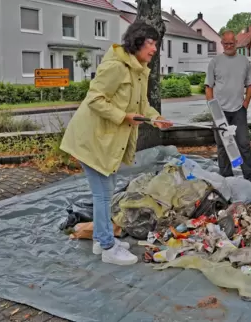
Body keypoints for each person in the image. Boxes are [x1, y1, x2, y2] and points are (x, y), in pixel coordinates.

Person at [60, 21, 173, 266]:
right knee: (103, 194)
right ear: (137, 42)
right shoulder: (116, 67)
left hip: (105, 141)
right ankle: (108, 246)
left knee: (106, 191)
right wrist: (123, 117)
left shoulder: (139, 70)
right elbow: (94, 100)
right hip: (91, 139)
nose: (154, 49)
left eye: (156, 44)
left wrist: (156, 119)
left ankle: (102, 240)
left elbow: (142, 106)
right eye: (151, 44)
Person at [205, 30, 251, 184]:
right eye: (225, 43)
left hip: (238, 110)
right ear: (222, 44)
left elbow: (250, 84)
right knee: (223, 147)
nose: (228, 46)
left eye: (231, 43)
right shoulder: (214, 62)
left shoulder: (244, 61)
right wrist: (213, 108)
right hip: (220, 112)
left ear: (236, 43)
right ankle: (227, 179)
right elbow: (208, 87)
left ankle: (250, 179)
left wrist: (245, 103)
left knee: (243, 144)